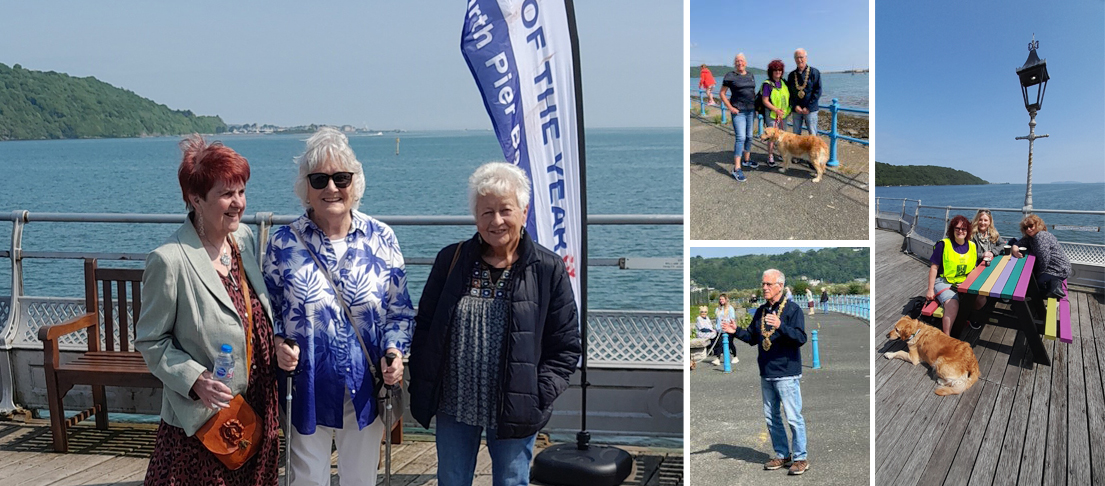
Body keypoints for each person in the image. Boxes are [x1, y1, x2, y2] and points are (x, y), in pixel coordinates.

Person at [135, 135, 298, 485]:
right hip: (205, 420)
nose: (238, 203)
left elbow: (254, 315)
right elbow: (150, 342)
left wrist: (278, 342)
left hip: (256, 411)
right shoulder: (170, 260)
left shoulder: (244, 242)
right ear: (195, 199)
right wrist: (196, 380)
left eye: (241, 192)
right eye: (226, 194)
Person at [408, 162, 581, 486]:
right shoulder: (451, 260)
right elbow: (425, 328)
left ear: (524, 212)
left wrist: (538, 394)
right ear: (475, 215)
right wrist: (423, 379)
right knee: (452, 480)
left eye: (505, 210)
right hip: (453, 402)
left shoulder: (547, 268)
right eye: (486, 212)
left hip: (517, 404)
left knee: (512, 481)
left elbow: (566, 345)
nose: (496, 220)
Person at [262, 127, 415, 486]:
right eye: (319, 179)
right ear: (306, 188)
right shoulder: (283, 242)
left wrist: (394, 350)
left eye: (341, 178)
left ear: (354, 182)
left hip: (366, 381)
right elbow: (266, 312)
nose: (331, 188)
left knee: (360, 478)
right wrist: (278, 343)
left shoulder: (381, 237)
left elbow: (400, 310)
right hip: (306, 382)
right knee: (306, 479)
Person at [732, 269, 809, 476]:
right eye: (763, 284)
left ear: (779, 286)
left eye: (768, 284)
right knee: (771, 417)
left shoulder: (793, 310)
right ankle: (782, 454)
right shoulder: (760, 311)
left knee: (793, 417)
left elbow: (801, 338)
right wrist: (735, 331)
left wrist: (781, 325)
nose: (764, 287)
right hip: (766, 372)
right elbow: (752, 337)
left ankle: (800, 458)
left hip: (787, 372)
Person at [926, 215, 987, 336]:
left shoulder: (972, 246)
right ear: (952, 230)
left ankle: (968, 316)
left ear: (968, 230)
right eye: (957, 228)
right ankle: (946, 337)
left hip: (964, 281)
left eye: (964, 229)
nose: (960, 231)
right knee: (952, 304)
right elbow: (934, 268)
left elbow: (972, 269)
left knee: (981, 299)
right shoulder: (943, 245)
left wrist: (968, 282)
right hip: (945, 281)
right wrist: (930, 290)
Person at [1011, 214, 1072, 299]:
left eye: (1031, 226)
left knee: (1032, 284)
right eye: (1025, 227)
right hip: (1051, 267)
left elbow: (1044, 260)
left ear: (1037, 225)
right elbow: (1018, 243)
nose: (1028, 229)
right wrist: (1014, 249)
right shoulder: (1031, 237)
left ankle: (1032, 304)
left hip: (1058, 269)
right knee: (1030, 280)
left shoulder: (1041, 236)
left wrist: (1038, 275)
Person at [720, 53, 757, 181]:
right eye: (737, 61)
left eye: (741, 60)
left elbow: (752, 92)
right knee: (740, 137)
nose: (739, 63)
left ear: (745, 62)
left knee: (750, 136)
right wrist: (730, 107)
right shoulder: (730, 76)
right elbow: (722, 93)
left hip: (751, 111)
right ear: (734, 63)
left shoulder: (751, 75)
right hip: (738, 112)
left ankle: (746, 160)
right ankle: (737, 168)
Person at [761, 59, 791, 168]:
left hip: (783, 115)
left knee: (782, 137)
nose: (778, 72)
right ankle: (770, 156)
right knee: (771, 137)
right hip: (772, 115)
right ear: (771, 71)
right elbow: (765, 100)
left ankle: (780, 153)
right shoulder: (767, 84)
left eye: (780, 69)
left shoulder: (784, 82)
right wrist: (776, 110)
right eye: (775, 70)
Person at [786, 48, 822, 136]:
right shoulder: (791, 75)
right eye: (797, 57)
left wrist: (809, 107)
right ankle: (797, 150)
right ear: (794, 59)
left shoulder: (814, 72)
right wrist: (795, 106)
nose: (799, 60)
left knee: (812, 135)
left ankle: (813, 150)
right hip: (796, 110)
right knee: (796, 135)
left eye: (801, 57)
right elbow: (789, 93)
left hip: (810, 110)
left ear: (806, 58)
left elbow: (818, 91)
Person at [708, 294, 739, 366]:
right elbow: (717, 319)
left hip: (728, 329)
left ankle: (735, 356)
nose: (721, 301)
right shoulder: (718, 309)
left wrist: (728, 322)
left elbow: (732, 318)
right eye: (720, 299)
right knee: (720, 344)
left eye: (722, 299)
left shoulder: (730, 308)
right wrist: (716, 327)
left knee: (730, 344)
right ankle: (717, 359)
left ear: (726, 300)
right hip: (720, 330)